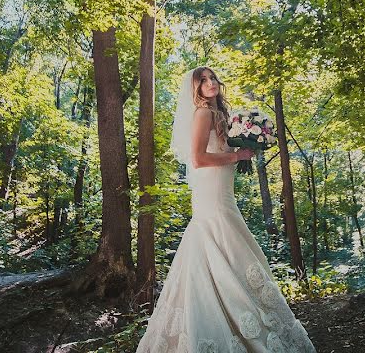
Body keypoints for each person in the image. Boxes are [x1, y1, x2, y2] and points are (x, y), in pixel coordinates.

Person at [136, 66, 317, 353]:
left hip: (221, 187)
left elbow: (218, 149)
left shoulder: (220, 114)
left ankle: (233, 317)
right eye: (202, 80)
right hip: (211, 190)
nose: (209, 83)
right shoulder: (203, 112)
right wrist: (237, 155)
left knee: (223, 240)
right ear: (195, 88)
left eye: (212, 78)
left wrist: (244, 144)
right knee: (220, 236)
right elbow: (197, 159)